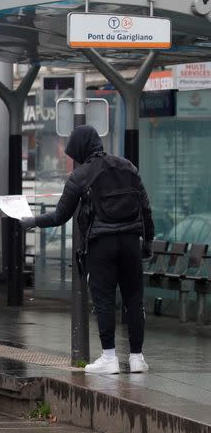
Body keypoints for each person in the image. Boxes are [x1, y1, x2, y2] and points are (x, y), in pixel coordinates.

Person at [19, 125, 154, 374]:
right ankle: (137, 358)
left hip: (101, 244)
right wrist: (147, 242)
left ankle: (109, 357)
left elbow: (61, 215)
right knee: (134, 299)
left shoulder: (81, 175)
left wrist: (33, 221)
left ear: (81, 149)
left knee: (103, 300)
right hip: (131, 241)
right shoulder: (128, 166)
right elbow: (145, 206)